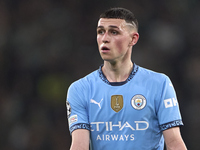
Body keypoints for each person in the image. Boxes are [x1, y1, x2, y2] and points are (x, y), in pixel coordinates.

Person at [66, 7, 187, 150]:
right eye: (100, 32)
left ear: (133, 39)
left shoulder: (159, 84)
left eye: (114, 32)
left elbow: (174, 144)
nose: (105, 38)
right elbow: (79, 146)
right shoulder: (80, 89)